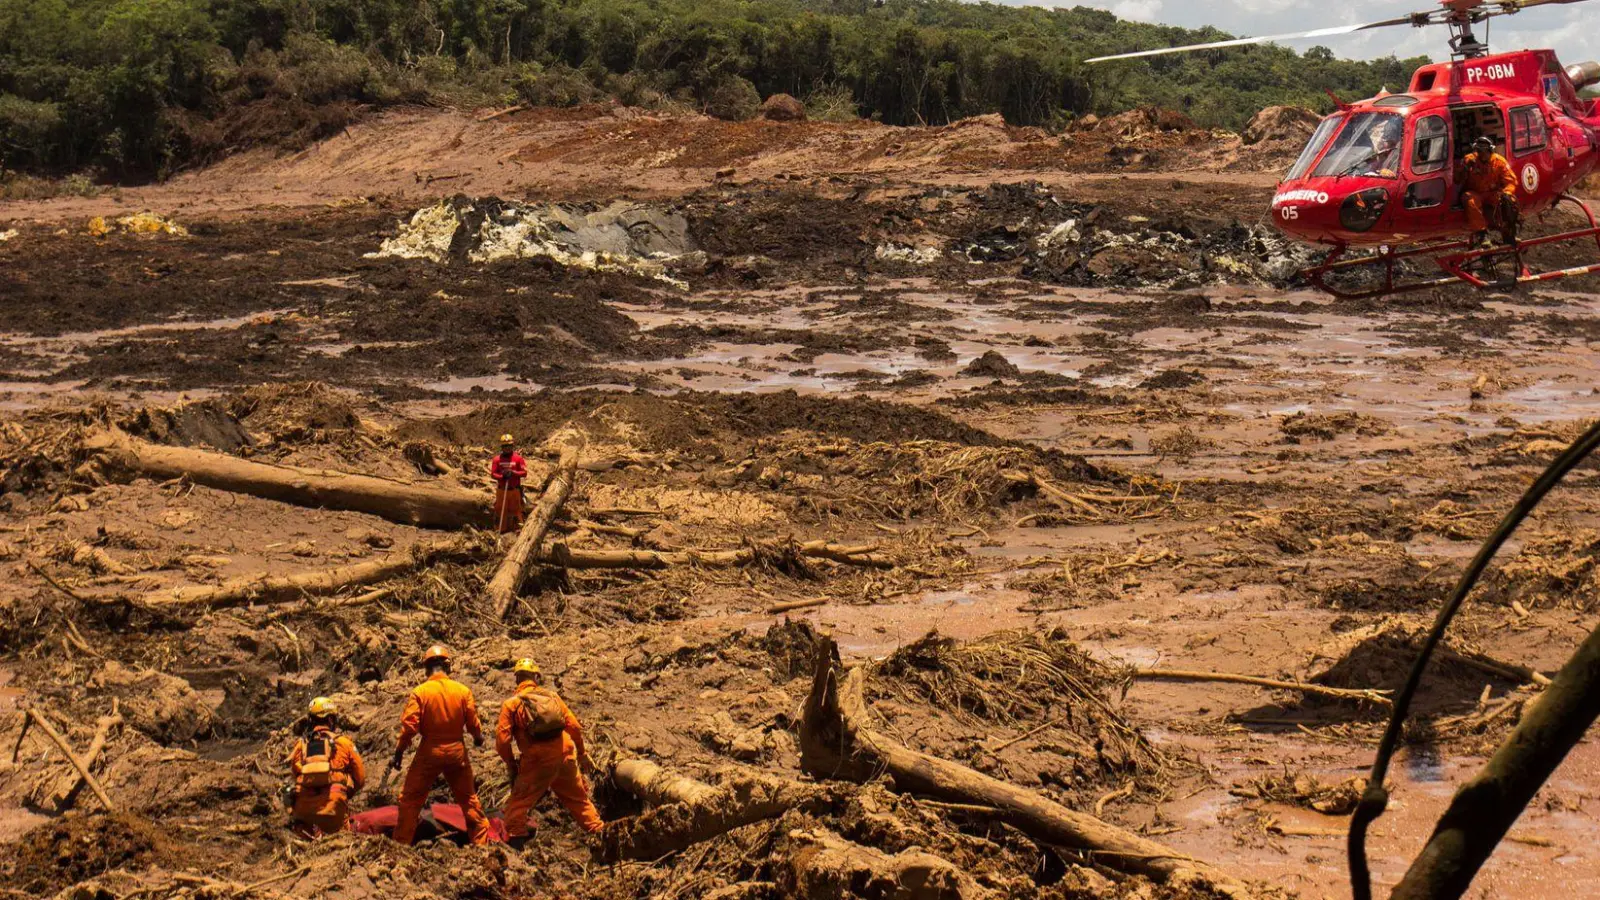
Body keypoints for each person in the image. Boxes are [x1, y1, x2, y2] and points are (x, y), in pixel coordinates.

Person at [494, 658, 603, 847]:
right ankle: (602, 835)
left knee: (517, 805)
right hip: (566, 752)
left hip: (538, 759)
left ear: (516, 679)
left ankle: (516, 847)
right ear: (536, 676)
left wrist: (512, 764)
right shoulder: (552, 697)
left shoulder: (511, 704)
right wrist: (582, 753)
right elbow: (575, 727)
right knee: (579, 800)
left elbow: (502, 742)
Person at [391, 645, 491, 845]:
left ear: (427, 669)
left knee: (410, 801)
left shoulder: (420, 692)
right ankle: (481, 845)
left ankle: (401, 845)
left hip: (430, 752)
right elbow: (473, 724)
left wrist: (399, 752)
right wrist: (478, 738)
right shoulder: (463, 691)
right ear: (447, 666)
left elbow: (410, 727)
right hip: (457, 752)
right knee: (469, 800)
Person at [287, 697, 366, 838]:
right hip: (334, 807)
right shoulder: (344, 743)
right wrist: (346, 791)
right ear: (330, 720)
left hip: (304, 810)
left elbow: (295, 775)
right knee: (343, 835)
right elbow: (360, 778)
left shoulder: (300, 745)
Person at [1460, 136, 1520, 249]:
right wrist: (1465, 168)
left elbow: (1511, 181)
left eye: (1484, 151)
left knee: (1508, 201)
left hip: (1493, 193)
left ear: (1490, 150)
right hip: (1475, 193)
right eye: (1478, 151)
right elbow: (1457, 180)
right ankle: (1482, 234)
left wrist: (1507, 193)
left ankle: (1508, 233)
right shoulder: (1469, 159)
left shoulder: (1499, 162)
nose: (1481, 154)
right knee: (1469, 200)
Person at [491, 434, 529, 534]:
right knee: (500, 511)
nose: (507, 448)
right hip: (502, 491)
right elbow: (493, 474)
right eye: (505, 446)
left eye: (509, 446)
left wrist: (514, 473)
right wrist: (502, 476)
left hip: (514, 490)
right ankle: (500, 532)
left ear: (512, 446)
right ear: (502, 447)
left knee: (516, 511)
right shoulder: (497, 460)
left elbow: (524, 473)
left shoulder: (518, 459)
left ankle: (517, 532)